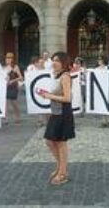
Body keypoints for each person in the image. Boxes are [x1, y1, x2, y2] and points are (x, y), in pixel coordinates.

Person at [38, 51, 75, 185]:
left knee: (61, 143)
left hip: (63, 113)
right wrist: (47, 94)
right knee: (50, 141)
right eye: (53, 60)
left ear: (64, 63)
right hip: (56, 112)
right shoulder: (56, 75)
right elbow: (57, 94)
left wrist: (49, 96)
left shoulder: (65, 76)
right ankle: (61, 167)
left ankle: (63, 173)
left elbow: (67, 98)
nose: (54, 62)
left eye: (57, 60)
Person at [4, 52, 23, 125]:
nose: (8, 59)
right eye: (7, 58)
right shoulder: (4, 67)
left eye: (9, 58)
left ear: (12, 59)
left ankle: (17, 116)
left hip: (13, 86)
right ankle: (5, 118)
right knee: (5, 103)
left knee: (14, 103)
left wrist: (13, 80)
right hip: (6, 86)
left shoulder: (15, 67)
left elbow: (21, 77)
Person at [96, 56, 109, 127]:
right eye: (99, 60)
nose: (99, 61)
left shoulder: (108, 68)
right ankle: (103, 120)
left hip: (107, 88)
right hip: (100, 88)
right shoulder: (96, 69)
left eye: (100, 60)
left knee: (108, 104)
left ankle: (108, 120)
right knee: (101, 104)